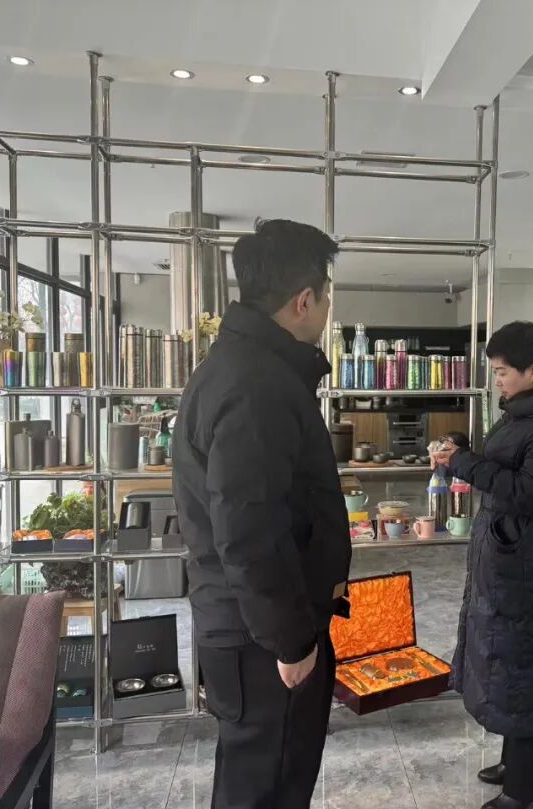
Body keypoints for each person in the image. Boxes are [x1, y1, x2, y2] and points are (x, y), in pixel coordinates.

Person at [172, 219, 352, 809]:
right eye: (326, 295)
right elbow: (248, 528)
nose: (326, 308)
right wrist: (291, 640)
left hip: (252, 624)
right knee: (266, 789)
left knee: (257, 783)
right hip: (262, 637)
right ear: (305, 300)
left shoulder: (244, 367)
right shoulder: (257, 385)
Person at [431, 321, 533, 809]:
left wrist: (464, 463)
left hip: (524, 558)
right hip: (506, 550)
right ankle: (526, 768)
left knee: (521, 664)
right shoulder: (523, 411)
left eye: (502, 372)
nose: (497, 380)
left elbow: (529, 491)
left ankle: (525, 793)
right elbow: (503, 465)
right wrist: (461, 449)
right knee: (505, 659)